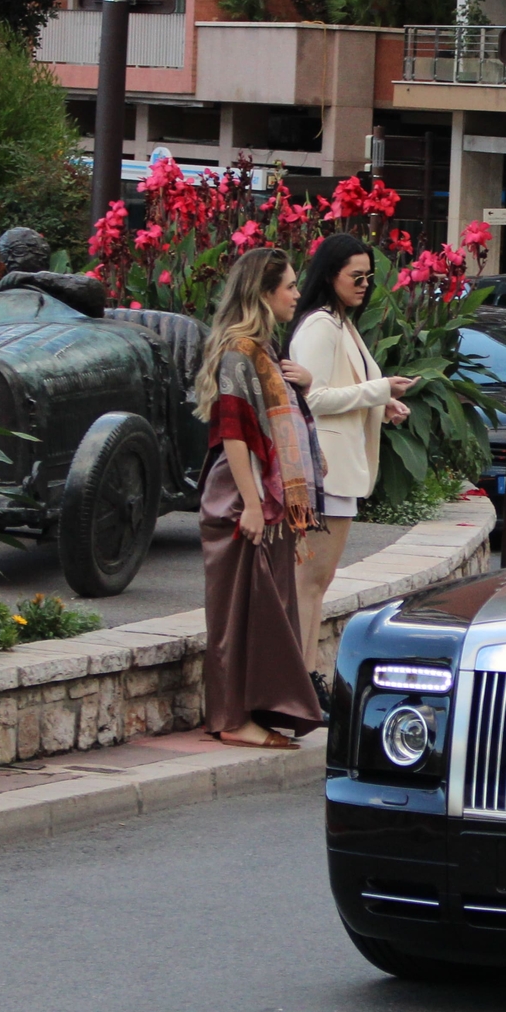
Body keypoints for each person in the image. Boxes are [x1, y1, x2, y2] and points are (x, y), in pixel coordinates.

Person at [195, 247, 324, 748]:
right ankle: (232, 720)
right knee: (236, 614)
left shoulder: (263, 352)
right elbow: (234, 433)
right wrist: (250, 504)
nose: (296, 294)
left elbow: (275, 423)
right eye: (289, 286)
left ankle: (255, 712)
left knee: (264, 611)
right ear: (264, 294)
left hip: (262, 498)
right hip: (242, 496)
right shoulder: (240, 353)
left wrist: (305, 386)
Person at [291, 233, 416, 670]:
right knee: (309, 583)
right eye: (356, 277)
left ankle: (306, 676)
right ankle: (303, 677)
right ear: (331, 276)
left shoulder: (340, 322)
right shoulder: (320, 326)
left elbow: (345, 388)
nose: (364, 285)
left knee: (316, 584)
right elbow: (313, 398)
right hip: (326, 469)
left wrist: (383, 403)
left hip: (339, 470)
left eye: (369, 277)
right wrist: (380, 390)